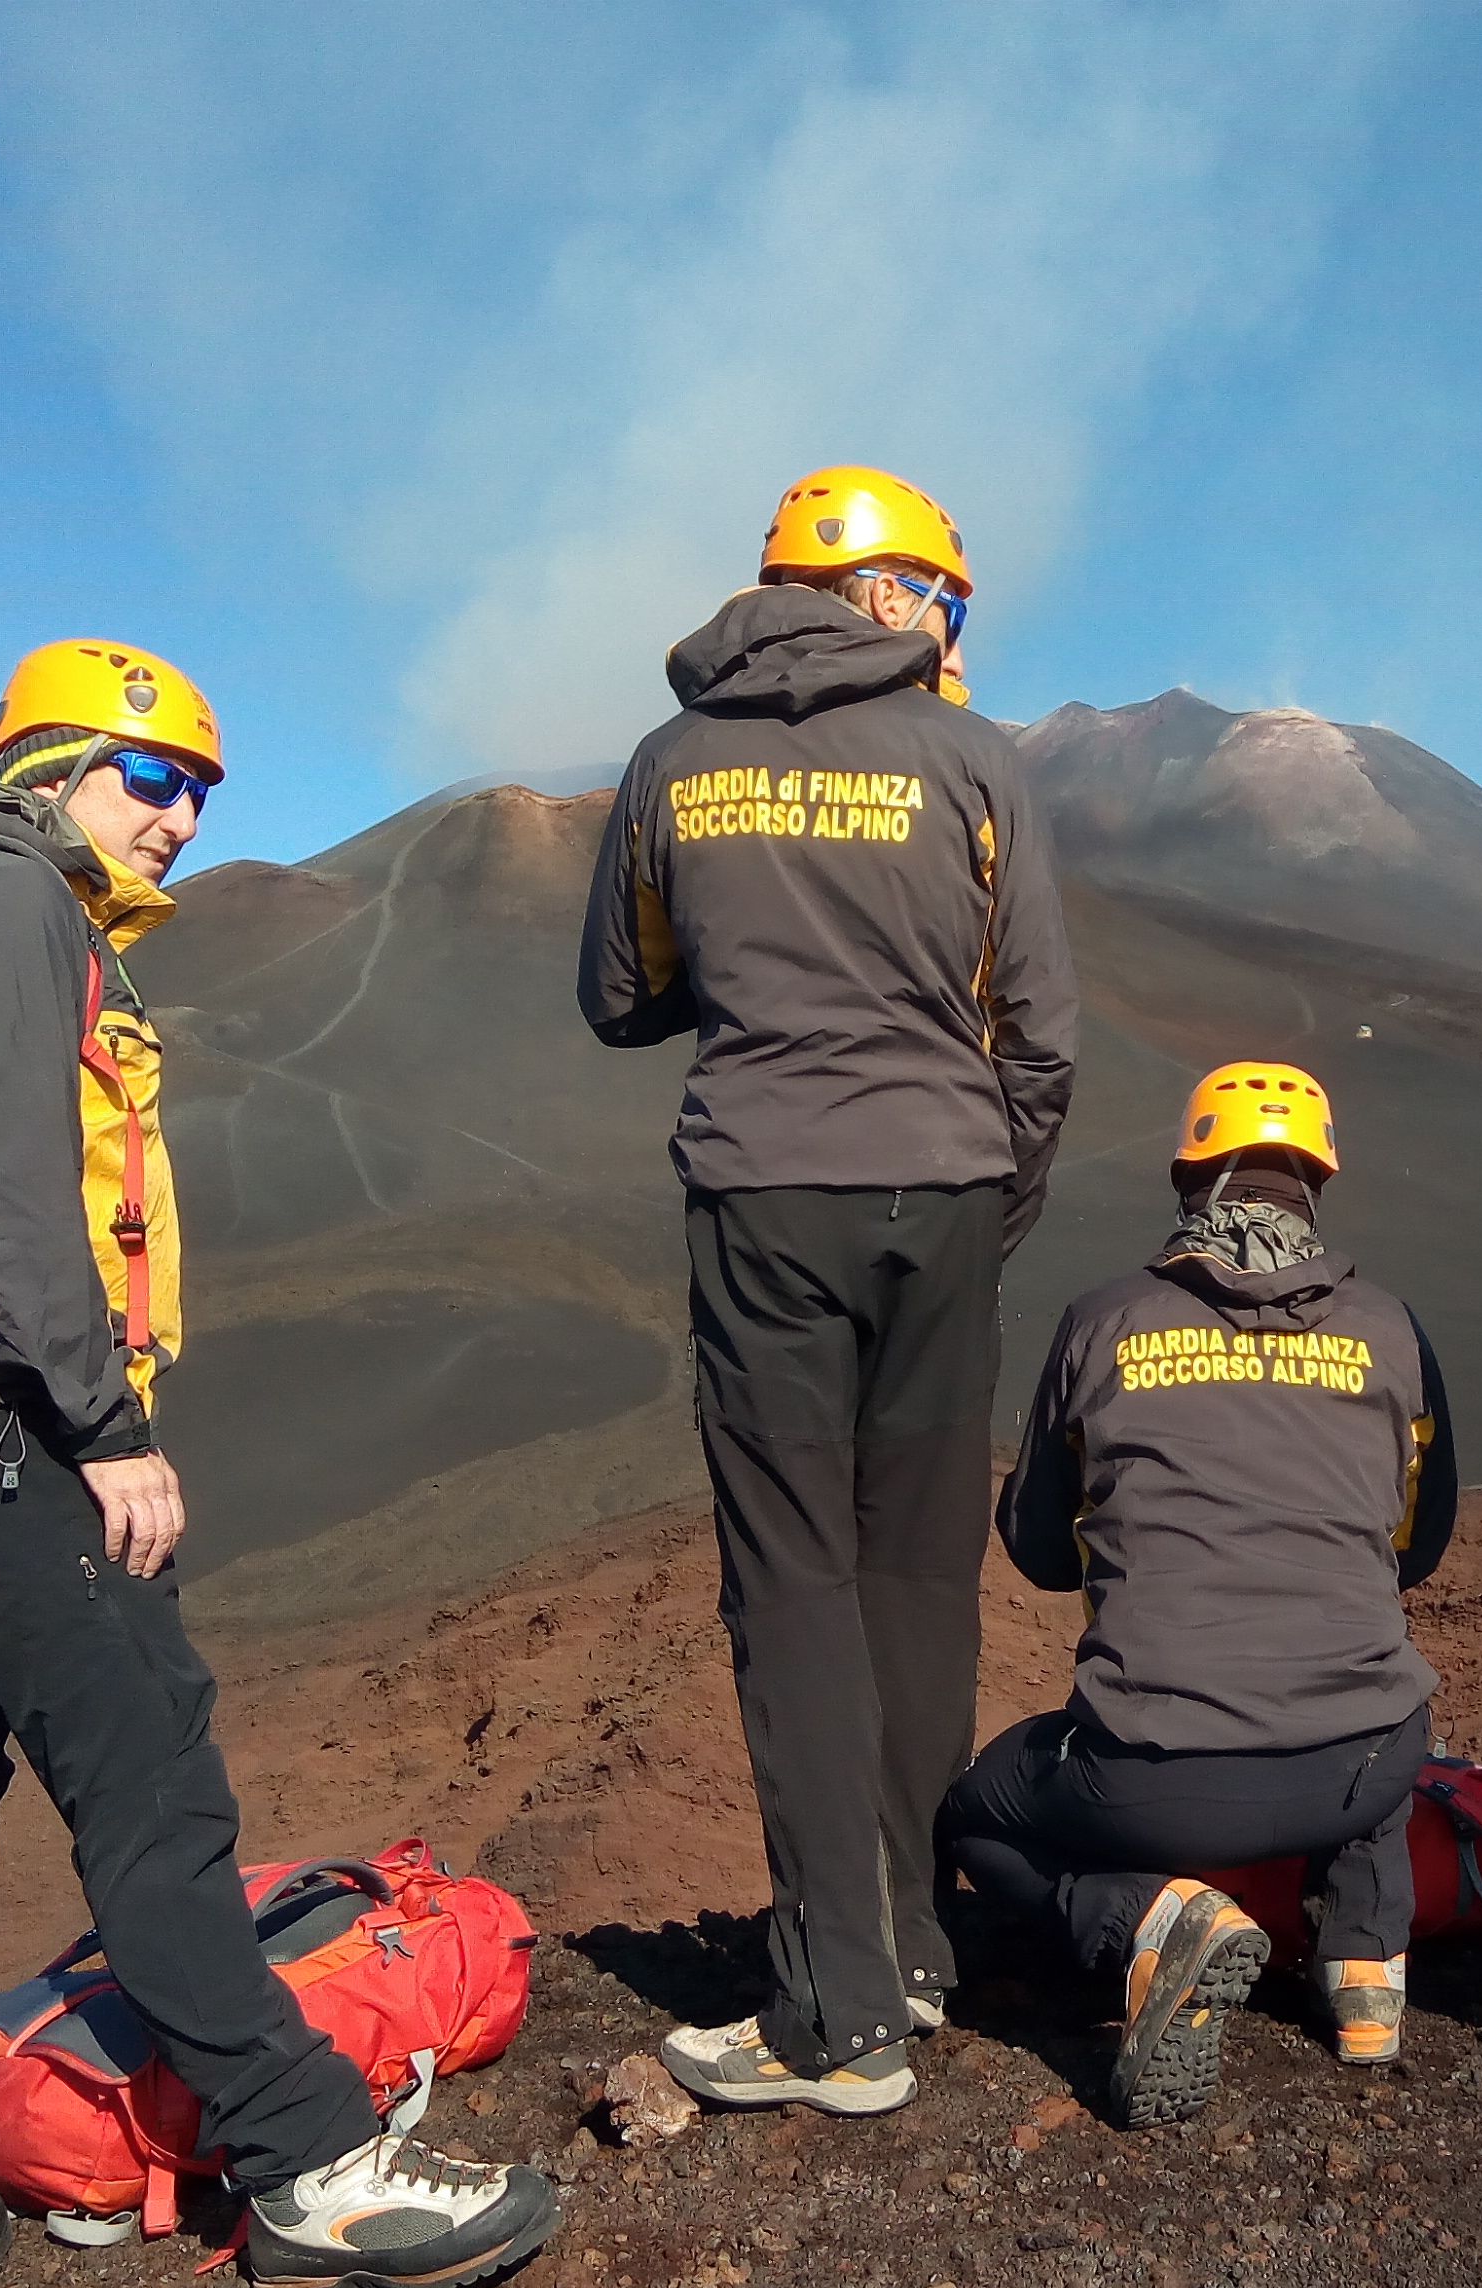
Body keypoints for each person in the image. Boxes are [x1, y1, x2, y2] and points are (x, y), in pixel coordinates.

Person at [0, 641, 556, 2288]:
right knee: (152, 1788)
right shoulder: (4, 905)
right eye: (153, 778)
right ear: (54, 767)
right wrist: (106, 1429)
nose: (183, 818)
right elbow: (8, 1200)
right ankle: (316, 2167)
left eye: (202, 788)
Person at [578, 468, 1080, 2115]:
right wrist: (986, 1203)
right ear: (882, 592)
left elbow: (620, 988)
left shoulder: (671, 760)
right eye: (945, 595)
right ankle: (918, 1956)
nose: (951, 628)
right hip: (939, 1196)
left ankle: (836, 2001)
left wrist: (748, 968)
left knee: (791, 1580)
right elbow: (1043, 1029)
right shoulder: (971, 758)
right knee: (919, 1572)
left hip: (763, 1197)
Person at [941, 1062, 1456, 2126]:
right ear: (1315, 1181)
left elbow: (1038, 1547)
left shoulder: (1103, 1322)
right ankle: (1365, 1982)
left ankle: (1150, 1918)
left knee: (977, 1817)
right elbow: (1416, 1549)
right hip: (1363, 1769)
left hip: (1152, 1783)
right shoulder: (1393, 1330)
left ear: (1191, 1175)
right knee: (1372, 1665)